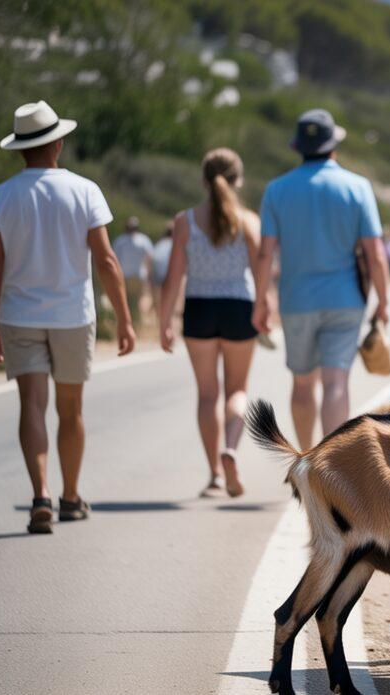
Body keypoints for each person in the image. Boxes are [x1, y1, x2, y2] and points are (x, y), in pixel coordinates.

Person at [0, 100, 135, 534]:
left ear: (20, 149)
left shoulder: (2, 196)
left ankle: (40, 496)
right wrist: (124, 319)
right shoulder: (84, 190)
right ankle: (70, 497)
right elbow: (106, 260)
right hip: (72, 316)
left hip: (18, 315)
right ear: (58, 143)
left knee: (31, 404)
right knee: (71, 410)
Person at [253, 109, 390, 448]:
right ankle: (329, 465)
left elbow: (265, 253)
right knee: (336, 383)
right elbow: (375, 253)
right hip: (346, 301)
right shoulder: (358, 187)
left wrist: (260, 301)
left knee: (302, 385)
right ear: (333, 147)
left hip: (296, 301)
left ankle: (305, 460)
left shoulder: (276, 190)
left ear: (299, 146)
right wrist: (383, 302)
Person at [159, 148, 259, 498]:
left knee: (207, 393)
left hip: (199, 308)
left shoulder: (184, 221)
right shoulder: (248, 221)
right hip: (239, 307)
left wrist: (164, 322)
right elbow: (262, 269)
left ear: (204, 180)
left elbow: (172, 279)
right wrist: (264, 306)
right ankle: (230, 447)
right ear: (239, 180)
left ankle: (215, 474)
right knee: (238, 391)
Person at [112, 216, 153, 329]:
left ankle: (127, 325)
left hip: (124, 276)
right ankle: (136, 325)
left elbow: (114, 259)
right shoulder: (144, 240)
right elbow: (150, 259)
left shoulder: (120, 241)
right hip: (139, 276)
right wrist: (149, 275)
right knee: (136, 301)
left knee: (126, 302)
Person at [150, 221, 174, 318]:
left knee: (158, 301)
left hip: (156, 275)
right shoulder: (175, 244)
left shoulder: (159, 244)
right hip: (167, 275)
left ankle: (159, 319)